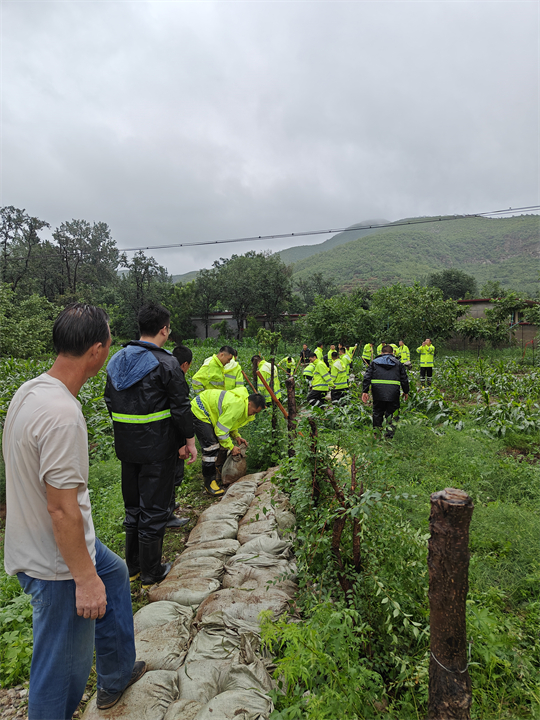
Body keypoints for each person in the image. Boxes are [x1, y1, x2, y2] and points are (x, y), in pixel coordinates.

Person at [3, 304, 145, 718]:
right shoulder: (63, 416)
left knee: (114, 574)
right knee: (62, 673)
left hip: (49, 541)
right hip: (57, 563)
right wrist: (84, 579)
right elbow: (62, 511)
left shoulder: (31, 390)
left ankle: (115, 675)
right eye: (110, 341)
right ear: (97, 350)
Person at [104, 303, 197, 588]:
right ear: (164, 330)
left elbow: (109, 401)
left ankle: (132, 568)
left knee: (133, 508)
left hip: (127, 447)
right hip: (158, 449)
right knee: (154, 510)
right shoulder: (167, 363)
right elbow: (180, 408)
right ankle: (151, 572)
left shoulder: (118, 359)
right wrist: (188, 441)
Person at [191, 388, 266, 496]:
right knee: (211, 446)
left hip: (208, 410)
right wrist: (231, 447)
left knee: (218, 444)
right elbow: (221, 431)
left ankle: (216, 472)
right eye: (253, 412)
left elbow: (229, 422)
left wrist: (236, 436)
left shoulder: (242, 405)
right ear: (249, 403)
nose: (252, 415)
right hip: (201, 410)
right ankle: (209, 482)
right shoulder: (237, 406)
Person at [362, 344, 409, 438]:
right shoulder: (398, 363)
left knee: (377, 412)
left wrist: (365, 391)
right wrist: (406, 391)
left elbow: (367, 377)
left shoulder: (374, 362)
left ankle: (377, 434)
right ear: (392, 353)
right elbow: (404, 379)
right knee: (392, 413)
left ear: (381, 352)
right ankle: (389, 436)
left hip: (378, 392)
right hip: (393, 392)